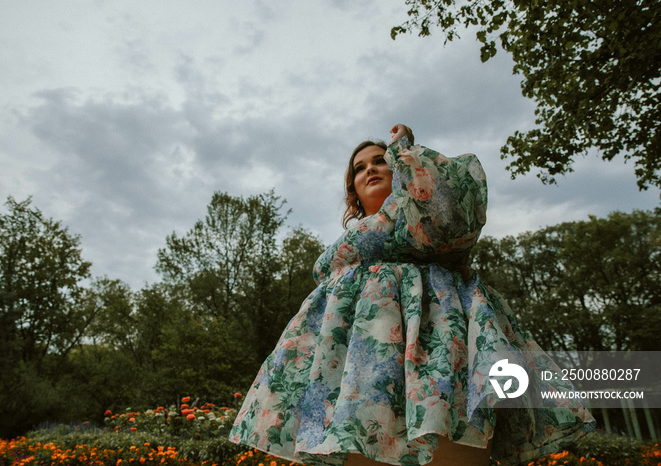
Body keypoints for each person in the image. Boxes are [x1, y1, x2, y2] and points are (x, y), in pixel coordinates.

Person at [229, 124, 595, 466]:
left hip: (437, 347)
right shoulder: (347, 249)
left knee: (448, 443)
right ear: (352, 191)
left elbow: (452, 209)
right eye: (360, 167)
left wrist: (405, 150)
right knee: (361, 445)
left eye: (381, 161)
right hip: (358, 367)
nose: (371, 168)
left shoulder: (421, 218)